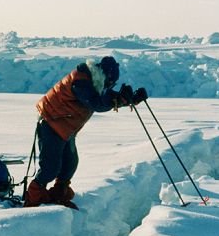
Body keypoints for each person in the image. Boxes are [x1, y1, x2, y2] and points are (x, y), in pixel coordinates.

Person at [24, 56, 148, 209]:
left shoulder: (94, 80)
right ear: (103, 75)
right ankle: (33, 199)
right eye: (109, 82)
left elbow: (103, 96)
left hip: (65, 126)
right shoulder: (81, 81)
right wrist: (120, 99)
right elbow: (96, 103)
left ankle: (58, 194)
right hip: (51, 122)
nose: (109, 85)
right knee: (50, 167)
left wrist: (130, 99)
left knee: (69, 164)